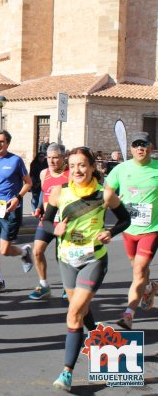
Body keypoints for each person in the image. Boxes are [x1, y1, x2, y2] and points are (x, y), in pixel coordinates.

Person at [42, 147, 130, 391]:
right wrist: (54, 230)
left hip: (94, 260)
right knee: (80, 311)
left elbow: (126, 219)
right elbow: (46, 222)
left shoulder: (105, 195)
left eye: (82, 165)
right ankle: (103, 344)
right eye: (72, 166)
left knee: (74, 313)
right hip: (67, 260)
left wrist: (110, 231)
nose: (77, 170)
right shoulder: (60, 193)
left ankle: (66, 372)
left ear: (92, 167)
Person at [105, 132, 158, 329]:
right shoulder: (121, 169)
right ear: (131, 148)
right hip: (128, 230)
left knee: (138, 271)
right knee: (139, 270)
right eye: (136, 144)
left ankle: (128, 315)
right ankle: (151, 286)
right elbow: (107, 193)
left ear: (151, 147)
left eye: (144, 144)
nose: (139, 148)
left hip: (151, 230)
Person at [0, 130, 33, 292]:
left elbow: (28, 183)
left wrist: (17, 197)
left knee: (4, 250)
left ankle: (24, 252)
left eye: (2, 141)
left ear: (7, 143)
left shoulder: (16, 161)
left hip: (11, 209)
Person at [29, 143, 69, 300]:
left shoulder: (71, 174)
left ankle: (68, 285)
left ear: (63, 157)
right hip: (47, 220)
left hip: (65, 221)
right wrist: (39, 208)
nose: (51, 161)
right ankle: (44, 285)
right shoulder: (44, 173)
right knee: (37, 251)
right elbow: (43, 193)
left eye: (55, 158)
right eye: (49, 158)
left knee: (62, 256)